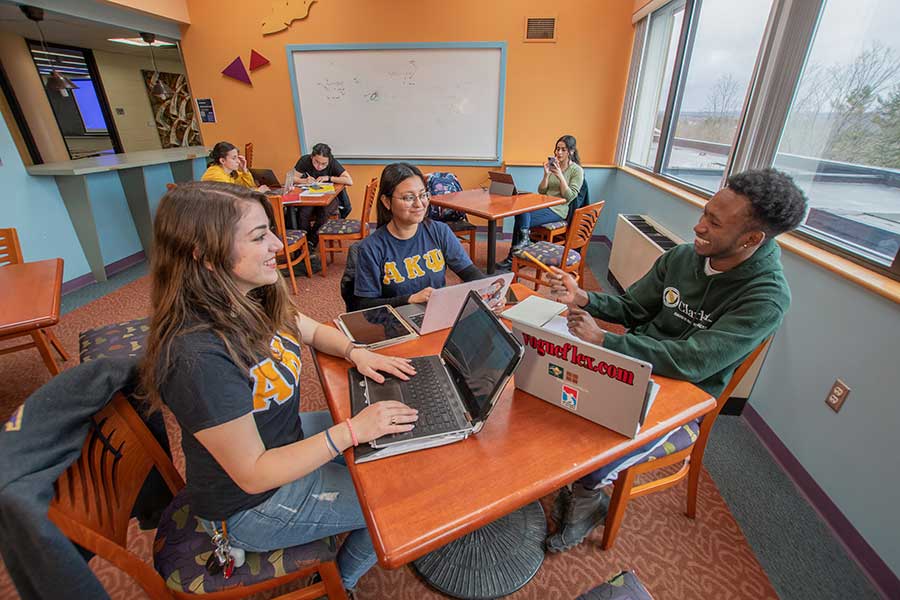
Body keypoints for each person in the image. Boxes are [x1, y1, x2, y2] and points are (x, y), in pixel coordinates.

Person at [138, 181, 420, 592]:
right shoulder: (196, 357)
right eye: (258, 236)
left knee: (403, 440)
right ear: (204, 255)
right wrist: (351, 432)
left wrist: (355, 351)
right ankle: (340, 585)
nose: (277, 243)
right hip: (251, 505)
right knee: (401, 499)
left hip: (280, 441)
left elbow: (307, 329)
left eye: (269, 230)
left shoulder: (249, 293)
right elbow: (253, 474)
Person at [543, 168, 808, 552]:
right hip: (637, 366)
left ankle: (588, 502)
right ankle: (585, 486)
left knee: (594, 448)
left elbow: (693, 362)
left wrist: (605, 342)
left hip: (687, 396)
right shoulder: (683, 257)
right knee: (556, 398)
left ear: (752, 239)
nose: (698, 226)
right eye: (705, 213)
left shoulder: (766, 297)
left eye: (714, 223)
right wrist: (584, 298)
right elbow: (633, 308)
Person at [353, 162, 485, 309]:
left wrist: (490, 294)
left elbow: (469, 272)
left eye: (423, 195)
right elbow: (363, 305)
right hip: (394, 322)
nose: (419, 204)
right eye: (408, 198)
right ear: (386, 201)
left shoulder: (439, 231)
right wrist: (409, 299)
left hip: (436, 315)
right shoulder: (371, 248)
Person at [496, 135, 585, 269]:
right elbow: (542, 190)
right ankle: (521, 246)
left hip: (559, 210)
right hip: (545, 204)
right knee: (521, 209)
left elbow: (570, 196)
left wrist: (560, 176)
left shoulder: (577, 170)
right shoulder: (554, 165)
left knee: (521, 217)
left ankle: (513, 257)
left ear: (571, 152)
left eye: (563, 150)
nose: (558, 153)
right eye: (557, 149)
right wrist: (546, 174)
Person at [292, 143, 354, 248]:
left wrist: (329, 178)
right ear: (311, 157)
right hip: (309, 196)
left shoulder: (332, 163)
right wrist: (304, 180)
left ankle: (311, 241)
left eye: (323, 164)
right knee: (303, 213)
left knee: (324, 213)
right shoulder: (304, 160)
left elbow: (349, 180)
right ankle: (304, 243)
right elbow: (292, 178)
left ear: (328, 160)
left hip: (328, 198)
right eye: (316, 162)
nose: (319, 166)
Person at [201, 141, 269, 192]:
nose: (238, 161)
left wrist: (244, 170)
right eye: (234, 158)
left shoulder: (230, 171)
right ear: (222, 161)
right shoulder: (215, 175)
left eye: (237, 157)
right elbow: (235, 196)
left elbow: (249, 186)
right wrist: (259, 192)